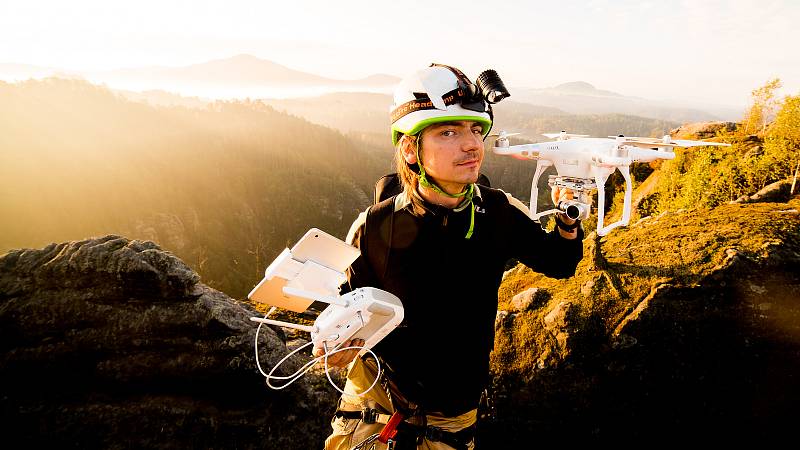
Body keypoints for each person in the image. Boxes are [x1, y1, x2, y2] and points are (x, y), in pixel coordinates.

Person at [316, 64, 584, 450]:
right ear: (410, 149)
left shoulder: (498, 212)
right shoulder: (374, 226)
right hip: (374, 397)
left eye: (476, 129)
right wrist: (338, 342)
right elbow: (349, 302)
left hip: (451, 409)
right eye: (448, 131)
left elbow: (560, 263)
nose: (472, 144)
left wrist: (567, 221)